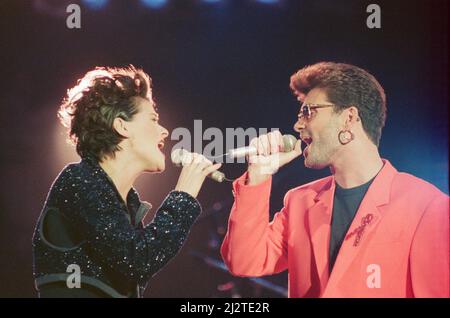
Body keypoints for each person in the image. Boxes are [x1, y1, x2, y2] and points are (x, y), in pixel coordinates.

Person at [221, 62, 449, 297]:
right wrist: (258, 175)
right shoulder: (300, 201)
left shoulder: (427, 206)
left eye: (308, 112)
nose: (297, 125)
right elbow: (244, 261)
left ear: (349, 117)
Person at [32, 65, 221, 297]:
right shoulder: (78, 181)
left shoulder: (127, 204)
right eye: (153, 119)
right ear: (121, 125)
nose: (164, 131)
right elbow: (137, 260)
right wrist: (183, 196)